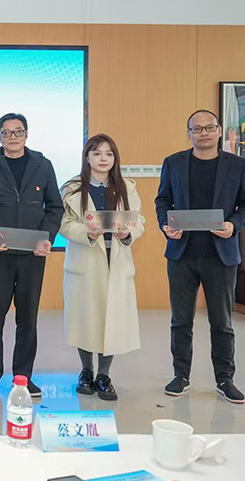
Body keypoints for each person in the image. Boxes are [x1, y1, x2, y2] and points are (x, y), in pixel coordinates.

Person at [155, 109, 245, 404]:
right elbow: (163, 199)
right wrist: (165, 225)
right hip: (182, 255)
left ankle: (225, 379)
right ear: (189, 133)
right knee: (180, 321)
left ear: (219, 130)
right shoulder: (174, 163)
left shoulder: (238, 165)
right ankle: (181, 375)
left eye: (209, 127)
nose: (203, 133)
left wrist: (233, 225)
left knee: (222, 323)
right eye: (197, 129)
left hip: (221, 256)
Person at [0, 112, 64, 398]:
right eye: (7, 132)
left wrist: (47, 238)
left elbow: (55, 207)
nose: (13, 137)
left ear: (26, 134)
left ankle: (23, 376)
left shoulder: (43, 166)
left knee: (28, 318)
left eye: (18, 131)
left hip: (32, 256)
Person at [59, 134, 145, 401]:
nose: (103, 159)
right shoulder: (72, 188)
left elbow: (138, 221)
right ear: (87, 157)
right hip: (86, 259)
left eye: (109, 154)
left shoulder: (126, 187)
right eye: (97, 153)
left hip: (115, 260)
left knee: (112, 319)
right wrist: (87, 232)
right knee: (86, 318)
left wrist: (127, 233)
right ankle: (86, 371)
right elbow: (64, 224)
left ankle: (104, 375)